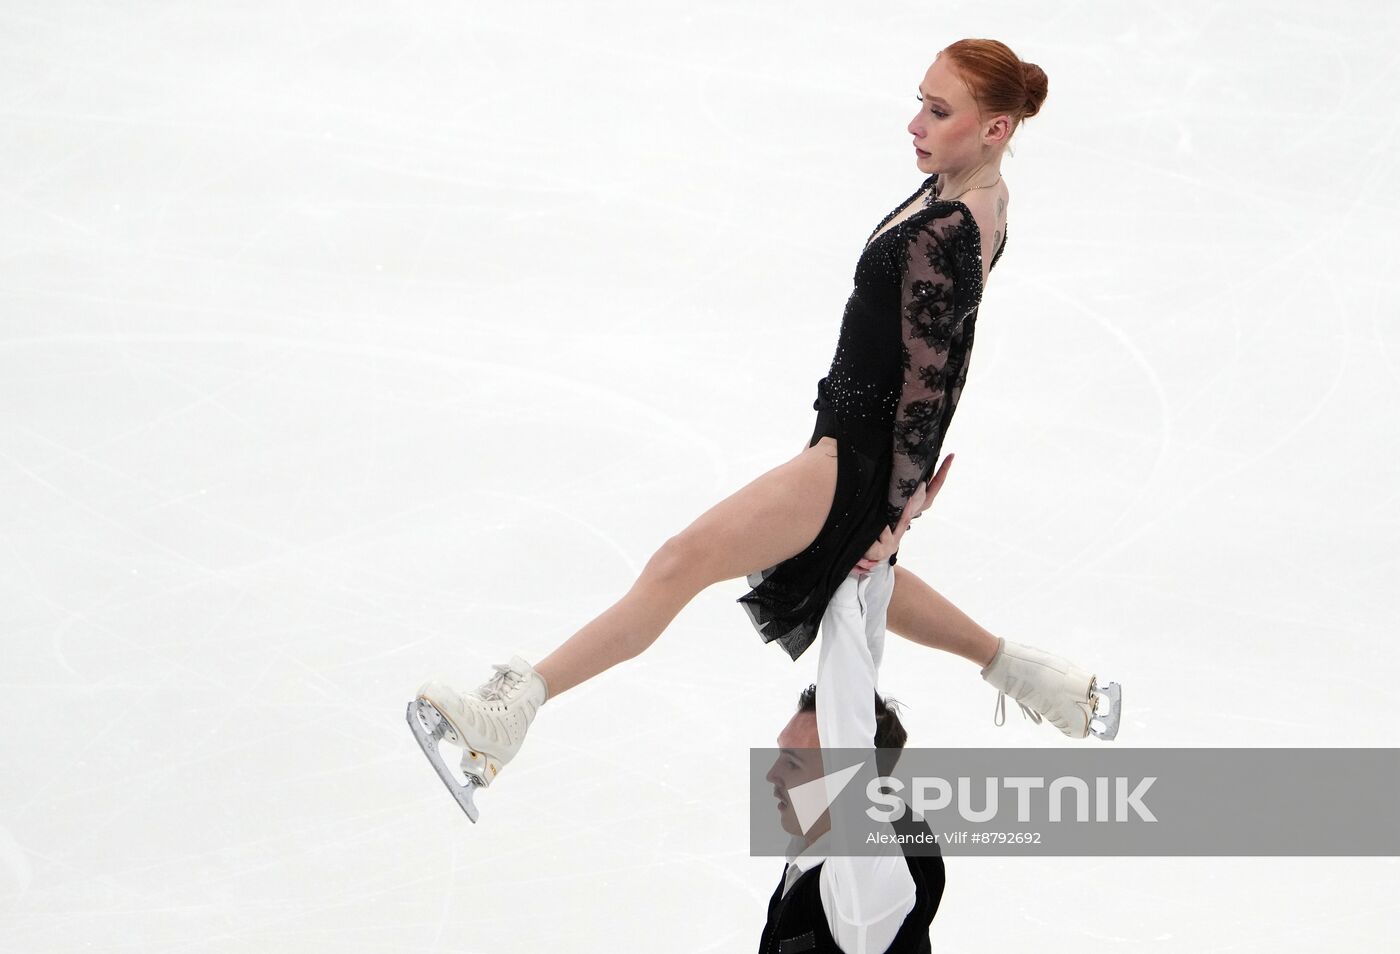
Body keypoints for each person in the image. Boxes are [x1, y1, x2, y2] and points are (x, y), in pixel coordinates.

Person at [410, 38, 1120, 820]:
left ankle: (513, 713)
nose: (915, 122)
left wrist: (895, 506)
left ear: (996, 129)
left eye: (939, 111)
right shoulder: (969, 194)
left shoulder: (953, 228)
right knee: (853, 584)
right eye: (920, 99)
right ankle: (1032, 675)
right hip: (848, 441)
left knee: (682, 562)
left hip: (854, 455)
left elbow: (934, 375)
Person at [760, 560, 943, 953]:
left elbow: (851, 722)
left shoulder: (867, 890)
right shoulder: (816, 847)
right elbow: (858, 682)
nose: (772, 774)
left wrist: (844, 585)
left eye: (793, 763)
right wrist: (872, 569)